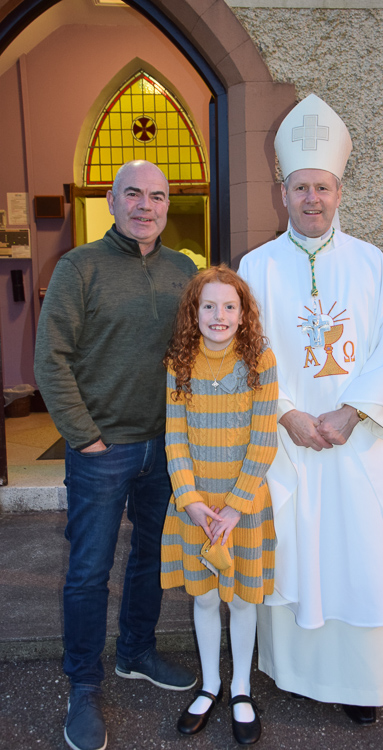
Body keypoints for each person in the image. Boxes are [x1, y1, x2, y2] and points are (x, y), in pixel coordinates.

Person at [239, 94, 383, 725]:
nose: (311, 199)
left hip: (357, 447)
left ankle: (362, 685)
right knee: (294, 551)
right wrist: (287, 412)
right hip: (288, 446)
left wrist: (350, 413)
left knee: (358, 556)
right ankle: (294, 674)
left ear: (338, 189)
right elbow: (246, 352)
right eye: (299, 188)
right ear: (281, 191)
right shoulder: (255, 268)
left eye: (321, 187)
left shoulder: (375, 267)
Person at [34, 160, 198, 750]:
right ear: (112, 200)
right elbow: (49, 359)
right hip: (102, 449)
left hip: (166, 448)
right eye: (134, 193)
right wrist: (84, 436)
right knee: (88, 572)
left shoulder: (185, 270)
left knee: (151, 559)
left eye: (157, 196)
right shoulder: (80, 267)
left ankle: (136, 651)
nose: (146, 206)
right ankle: (82, 683)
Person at [160, 265, 278, 745]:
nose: (219, 315)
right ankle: (210, 685)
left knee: (243, 599)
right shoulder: (179, 363)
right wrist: (190, 501)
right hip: (195, 506)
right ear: (194, 312)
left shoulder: (259, 361)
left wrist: (234, 507)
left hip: (242, 506)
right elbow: (174, 438)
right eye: (208, 305)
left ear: (243, 312)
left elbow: (264, 438)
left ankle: (242, 690)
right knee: (205, 597)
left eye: (229, 306)